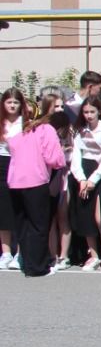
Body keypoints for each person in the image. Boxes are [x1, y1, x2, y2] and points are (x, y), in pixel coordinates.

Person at [6, 96, 67, 276]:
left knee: (23, 225)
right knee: (39, 225)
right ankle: (38, 267)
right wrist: (61, 157)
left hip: (15, 181)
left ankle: (27, 263)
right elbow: (54, 159)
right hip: (36, 180)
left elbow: (11, 148)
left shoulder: (20, 131)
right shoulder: (46, 129)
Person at [68, 96, 101, 272]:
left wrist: (93, 179)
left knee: (100, 217)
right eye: (86, 112)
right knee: (86, 215)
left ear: (99, 112)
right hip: (83, 173)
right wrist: (81, 178)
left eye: (92, 111)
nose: (89, 115)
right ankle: (94, 255)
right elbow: (76, 156)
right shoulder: (79, 131)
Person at [0, 87, 29, 271]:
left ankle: (20, 253)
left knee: (20, 210)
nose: (12, 105)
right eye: (9, 102)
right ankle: (6, 253)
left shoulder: (25, 124)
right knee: (3, 211)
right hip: (1, 165)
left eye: (16, 102)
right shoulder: (1, 123)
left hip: (20, 166)